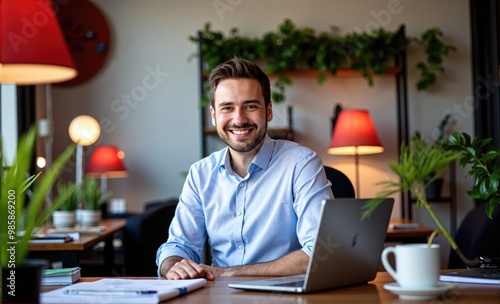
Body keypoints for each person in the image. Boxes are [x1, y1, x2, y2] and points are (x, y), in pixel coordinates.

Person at [156, 57, 333, 280]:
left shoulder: (301, 164)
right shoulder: (200, 174)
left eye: (250, 106)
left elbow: (318, 251)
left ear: (268, 111)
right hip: (220, 296)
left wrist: (227, 273)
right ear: (214, 115)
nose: (238, 120)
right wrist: (172, 265)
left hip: (285, 297)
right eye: (227, 108)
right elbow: (179, 245)